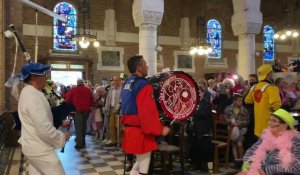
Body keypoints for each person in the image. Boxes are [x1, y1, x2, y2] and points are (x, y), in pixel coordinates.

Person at [121, 55, 170, 175]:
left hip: (130, 129)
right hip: (140, 132)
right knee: (143, 170)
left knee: (139, 164)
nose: (147, 66)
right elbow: (147, 114)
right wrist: (160, 129)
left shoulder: (127, 82)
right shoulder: (144, 85)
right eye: (145, 64)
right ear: (139, 67)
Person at [18, 63, 71, 175]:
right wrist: (62, 137)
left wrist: (59, 123)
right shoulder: (33, 97)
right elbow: (44, 129)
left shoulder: (30, 93)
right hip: (40, 149)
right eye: (44, 75)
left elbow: (37, 120)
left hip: (33, 145)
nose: (46, 79)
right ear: (34, 78)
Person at [237, 108, 300, 175]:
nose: (269, 123)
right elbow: (251, 151)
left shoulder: (295, 141)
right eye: (269, 120)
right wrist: (246, 167)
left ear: (284, 126)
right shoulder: (265, 136)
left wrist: (266, 171)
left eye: (274, 121)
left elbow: (297, 167)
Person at [245, 64, 282, 137]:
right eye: (272, 72)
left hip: (258, 126)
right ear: (269, 74)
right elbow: (276, 106)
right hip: (270, 125)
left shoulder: (254, 87)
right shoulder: (272, 88)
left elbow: (247, 100)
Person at [66, 79, 93, 149]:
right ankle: (83, 141)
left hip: (77, 110)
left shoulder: (73, 90)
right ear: (83, 83)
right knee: (84, 126)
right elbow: (92, 100)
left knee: (78, 127)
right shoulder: (88, 90)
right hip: (86, 110)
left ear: (77, 83)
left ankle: (79, 144)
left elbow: (67, 100)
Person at [224, 93, 249, 162]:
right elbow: (225, 118)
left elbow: (247, 121)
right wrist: (229, 121)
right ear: (234, 101)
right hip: (231, 130)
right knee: (233, 145)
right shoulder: (228, 108)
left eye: (241, 101)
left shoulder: (244, 110)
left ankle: (241, 159)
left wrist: (238, 124)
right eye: (239, 101)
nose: (241, 102)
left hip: (241, 130)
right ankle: (236, 160)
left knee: (239, 144)